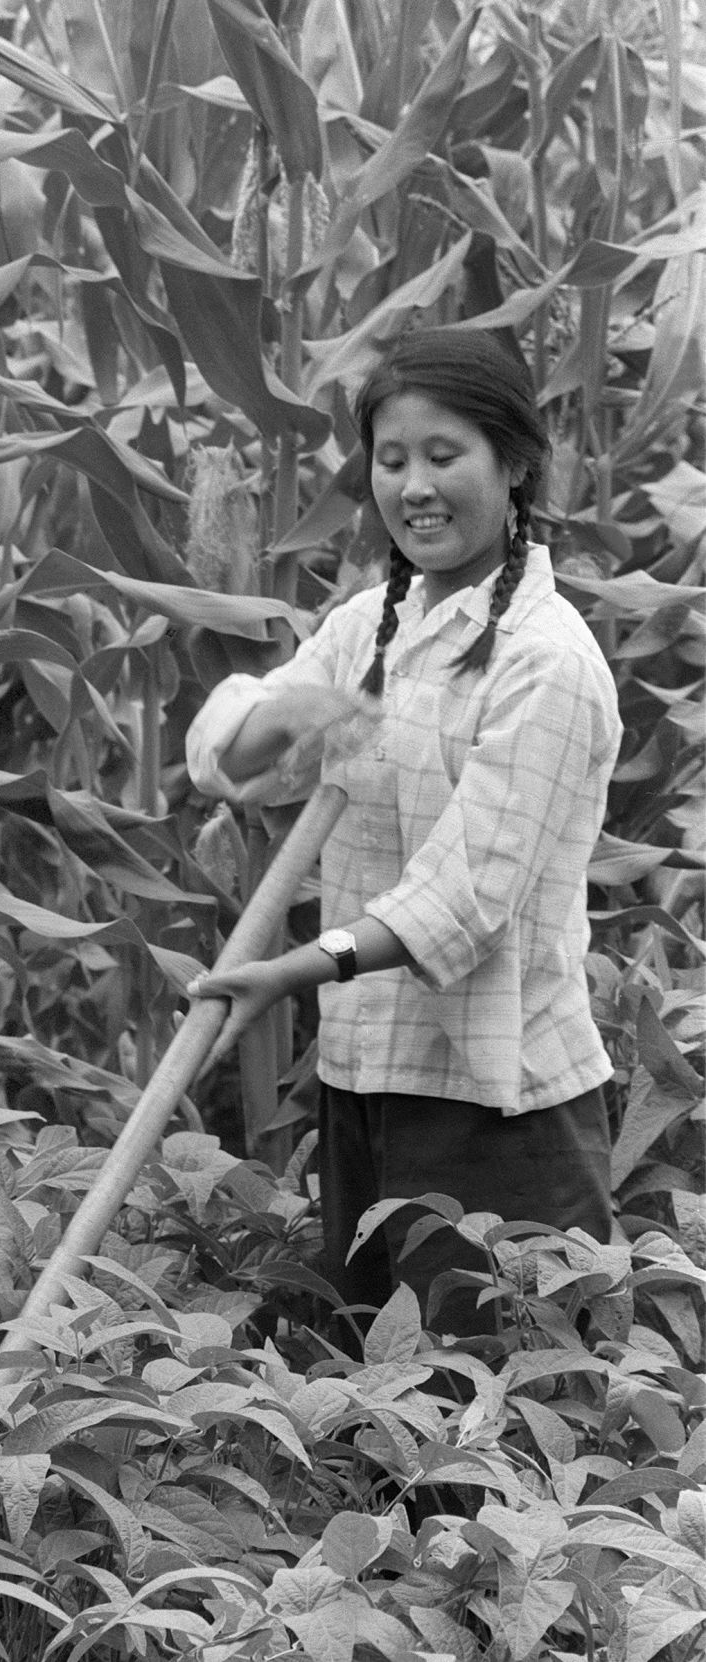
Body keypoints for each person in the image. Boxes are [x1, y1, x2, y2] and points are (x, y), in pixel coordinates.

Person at [185, 326, 621, 1342]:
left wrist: (296, 970)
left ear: (513, 466)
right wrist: (281, 718)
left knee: (506, 1432)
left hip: (500, 1111)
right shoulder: (370, 630)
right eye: (391, 461)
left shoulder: (546, 662)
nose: (414, 486)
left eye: (443, 455)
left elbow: (467, 894)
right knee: (378, 1422)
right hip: (363, 1081)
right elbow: (230, 763)